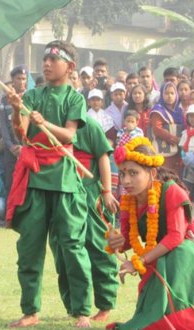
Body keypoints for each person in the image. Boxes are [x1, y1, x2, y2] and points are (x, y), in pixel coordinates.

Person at [6, 40, 93, 328]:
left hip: (65, 178)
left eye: (53, 60)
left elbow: (68, 136)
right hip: (34, 178)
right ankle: (30, 310)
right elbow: (22, 132)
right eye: (44, 59)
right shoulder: (32, 94)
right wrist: (16, 109)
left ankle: (82, 310)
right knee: (30, 247)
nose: (46, 64)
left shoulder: (75, 98)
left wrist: (44, 122)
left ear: (69, 66)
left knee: (71, 245)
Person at [106, 137, 194, 329]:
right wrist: (115, 242)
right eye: (122, 174)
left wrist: (139, 262)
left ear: (152, 172)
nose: (126, 180)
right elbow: (128, 240)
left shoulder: (172, 191)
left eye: (133, 173)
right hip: (160, 253)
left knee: (180, 253)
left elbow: (176, 237)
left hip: (187, 250)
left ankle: (192, 322)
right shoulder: (129, 199)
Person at [71, 117, 119, 322]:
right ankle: (76, 306)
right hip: (65, 194)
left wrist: (107, 192)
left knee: (99, 247)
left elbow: (103, 157)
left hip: (91, 194)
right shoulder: (50, 123)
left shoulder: (88, 125)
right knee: (69, 249)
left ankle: (105, 304)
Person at [0, 66, 28, 194]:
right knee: (10, 185)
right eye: (18, 78)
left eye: (24, 78)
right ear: (13, 80)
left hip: (27, 148)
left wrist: (23, 147)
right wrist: (12, 148)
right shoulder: (5, 100)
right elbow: (4, 127)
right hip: (10, 150)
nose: (21, 82)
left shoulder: (30, 97)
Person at [150, 82, 183, 174]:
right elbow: (157, 129)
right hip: (164, 151)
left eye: (172, 93)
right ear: (162, 95)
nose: (169, 96)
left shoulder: (179, 110)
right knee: (164, 176)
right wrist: (175, 139)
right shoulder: (158, 110)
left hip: (178, 152)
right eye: (166, 93)